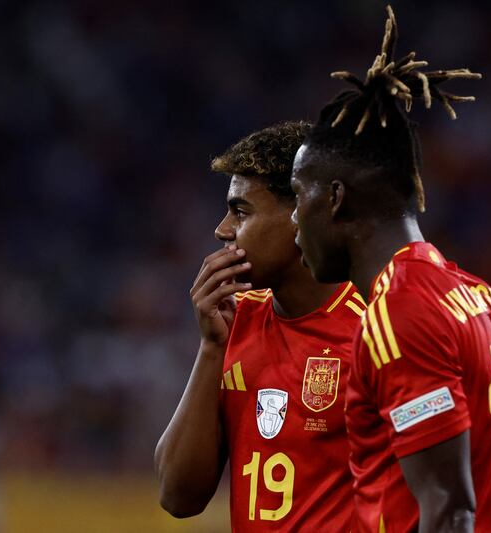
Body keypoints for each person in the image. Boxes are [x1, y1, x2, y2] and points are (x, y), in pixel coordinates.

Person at [289, 6, 491, 532]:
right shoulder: (482, 298)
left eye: (299, 197)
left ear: (335, 200)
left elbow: (450, 511)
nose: (294, 219)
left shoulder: (399, 313)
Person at [154, 121, 364, 531]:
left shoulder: (372, 332)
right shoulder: (235, 321)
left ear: (303, 212)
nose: (222, 230)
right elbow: (177, 496)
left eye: (241, 210)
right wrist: (211, 349)